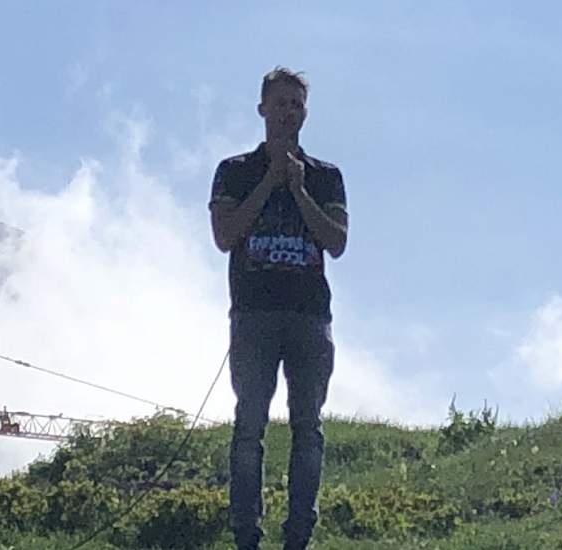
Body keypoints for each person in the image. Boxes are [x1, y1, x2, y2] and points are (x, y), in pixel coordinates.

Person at [208, 67, 348, 550]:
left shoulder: (326, 177)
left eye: (297, 105)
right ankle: (246, 533)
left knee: (308, 426)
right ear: (262, 109)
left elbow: (336, 242)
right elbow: (225, 236)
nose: (289, 112)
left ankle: (298, 535)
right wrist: (270, 181)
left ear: (305, 114)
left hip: (310, 317)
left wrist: (300, 190)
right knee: (250, 424)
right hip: (254, 315)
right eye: (281, 103)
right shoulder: (234, 171)